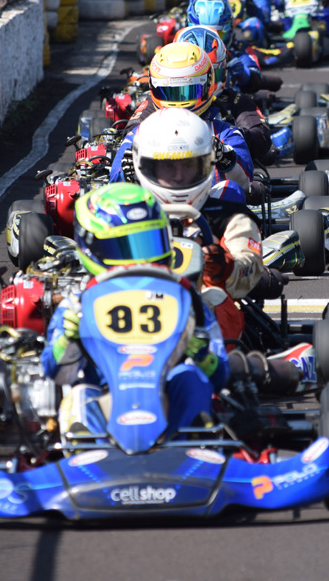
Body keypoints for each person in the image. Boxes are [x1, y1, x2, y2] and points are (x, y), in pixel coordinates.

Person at [42, 182, 229, 437]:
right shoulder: (78, 304)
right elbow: (55, 372)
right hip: (106, 401)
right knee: (79, 392)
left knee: (190, 377)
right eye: (126, 248)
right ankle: (85, 451)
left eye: (149, 244)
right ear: (92, 248)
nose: (141, 260)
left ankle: (196, 441)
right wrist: (69, 341)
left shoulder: (186, 299)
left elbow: (221, 374)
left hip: (166, 403)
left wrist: (202, 356)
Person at [129, 107, 287, 339]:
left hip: (207, 327)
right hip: (134, 312)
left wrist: (226, 267)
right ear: (145, 166)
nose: (179, 176)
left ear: (207, 164)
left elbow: (250, 268)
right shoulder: (128, 218)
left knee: (213, 297)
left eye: (188, 166)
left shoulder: (229, 215)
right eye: (167, 166)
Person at [111, 41, 254, 191]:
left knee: (231, 191)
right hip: (156, 210)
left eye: (187, 91)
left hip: (212, 208)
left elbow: (246, 185)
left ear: (207, 85)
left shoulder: (224, 133)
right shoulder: (139, 136)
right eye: (170, 92)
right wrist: (126, 176)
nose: (178, 102)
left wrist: (226, 158)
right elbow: (115, 188)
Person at [174, 25, 273, 165]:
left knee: (256, 184)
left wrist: (230, 139)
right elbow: (133, 132)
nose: (204, 84)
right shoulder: (160, 100)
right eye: (195, 77)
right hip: (165, 172)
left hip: (219, 176)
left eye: (212, 73)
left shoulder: (234, 100)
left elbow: (261, 137)